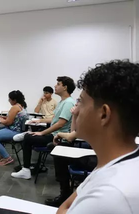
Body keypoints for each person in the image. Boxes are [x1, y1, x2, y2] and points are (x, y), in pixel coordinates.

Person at [57, 60, 139, 214]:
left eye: (81, 101)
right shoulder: (118, 161)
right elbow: (65, 208)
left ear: (104, 114)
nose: (75, 110)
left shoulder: (109, 196)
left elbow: (63, 209)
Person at [11, 76, 75, 179]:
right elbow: (54, 119)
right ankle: (28, 135)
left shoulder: (68, 103)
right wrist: (39, 120)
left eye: (58, 84)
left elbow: (60, 124)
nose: (55, 86)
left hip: (58, 137)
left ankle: (26, 170)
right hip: (54, 133)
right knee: (35, 132)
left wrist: (42, 133)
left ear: (65, 87)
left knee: (28, 138)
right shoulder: (62, 102)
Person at [45, 101, 97, 207]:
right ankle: (65, 192)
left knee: (59, 153)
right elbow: (73, 132)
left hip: (97, 160)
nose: (76, 105)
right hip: (94, 155)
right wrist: (74, 115)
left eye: (79, 102)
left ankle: (65, 193)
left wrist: (59, 134)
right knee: (58, 149)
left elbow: (70, 136)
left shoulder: (93, 119)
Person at [0, 90, 29, 166]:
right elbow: (15, 118)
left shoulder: (15, 107)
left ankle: (7, 157)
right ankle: (1, 153)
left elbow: (8, 122)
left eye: (9, 99)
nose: (9, 101)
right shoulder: (22, 106)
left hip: (14, 130)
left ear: (14, 100)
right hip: (19, 129)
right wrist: (6, 117)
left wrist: (0, 120)